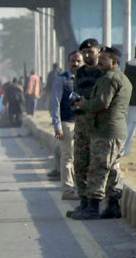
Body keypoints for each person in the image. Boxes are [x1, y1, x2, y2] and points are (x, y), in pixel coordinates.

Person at [70, 47, 131, 220]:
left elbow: (102, 102)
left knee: (98, 167)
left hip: (106, 131)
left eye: (104, 59)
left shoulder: (109, 79)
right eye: (101, 58)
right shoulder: (121, 78)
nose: (100, 61)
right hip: (115, 130)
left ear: (114, 62)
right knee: (111, 168)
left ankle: (93, 207)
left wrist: (84, 104)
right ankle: (113, 206)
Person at [67, 38, 104, 219]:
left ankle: (94, 204)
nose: (88, 55)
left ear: (99, 52)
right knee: (80, 163)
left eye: (92, 52)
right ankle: (83, 201)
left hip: (97, 123)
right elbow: (76, 92)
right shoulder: (80, 73)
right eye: (85, 53)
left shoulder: (103, 72)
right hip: (81, 122)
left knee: (96, 164)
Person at [51, 51, 83, 200]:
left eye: (78, 61)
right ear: (68, 62)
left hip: (83, 123)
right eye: (72, 61)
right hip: (67, 122)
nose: (75, 64)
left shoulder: (86, 78)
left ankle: (81, 188)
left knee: (81, 157)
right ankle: (67, 190)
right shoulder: (62, 80)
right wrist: (57, 125)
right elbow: (55, 103)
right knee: (67, 157)